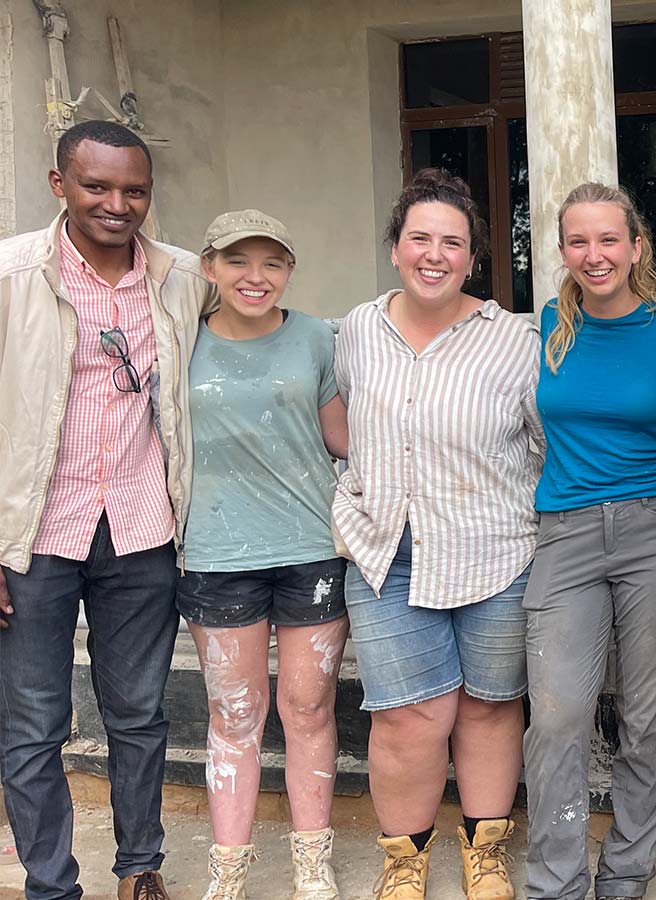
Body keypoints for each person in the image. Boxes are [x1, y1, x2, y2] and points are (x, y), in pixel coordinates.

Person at [0, 120, 211, 900]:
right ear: (60, 185)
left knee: (139, 715)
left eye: (134, 190)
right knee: (31, 728)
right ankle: (50, 885)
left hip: (142, 530)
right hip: (32, 539)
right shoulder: (13, 275)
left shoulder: (183, 277)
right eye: (97, 186)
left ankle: (139, 869)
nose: (117, 204)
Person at [335, 169, 543, 900]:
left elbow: (546, 444)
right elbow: (341, 421)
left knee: (489, 705)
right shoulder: (358, 329)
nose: (434, 253)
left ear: (473, 257)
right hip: (386, 547)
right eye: (419, 237)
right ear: (395, 247)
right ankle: (406, 861)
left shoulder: (513, 341)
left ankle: (484, 851)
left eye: (451, 242)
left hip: (495, 548)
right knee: (407, 717)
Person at [178, 209, 349, 900]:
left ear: (289, 271)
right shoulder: (179, 341)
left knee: (308, 708)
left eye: (272, 262)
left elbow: (341, 437)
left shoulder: (314, 337)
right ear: (209, 267)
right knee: (235, 714)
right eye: (239, 261)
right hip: (216, 552)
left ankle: (312, 861)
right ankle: (230, 866)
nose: (257, 277)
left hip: (309, 547)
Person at [521, 183, 656, 900]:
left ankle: (625, 875)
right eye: (579, 241)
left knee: (647, 719)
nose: (596, 255)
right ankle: (556, 883)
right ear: (561, 250)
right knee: (557, 716)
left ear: (636, 245)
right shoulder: (550, 325)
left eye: (609, 239)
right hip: (566, 533)